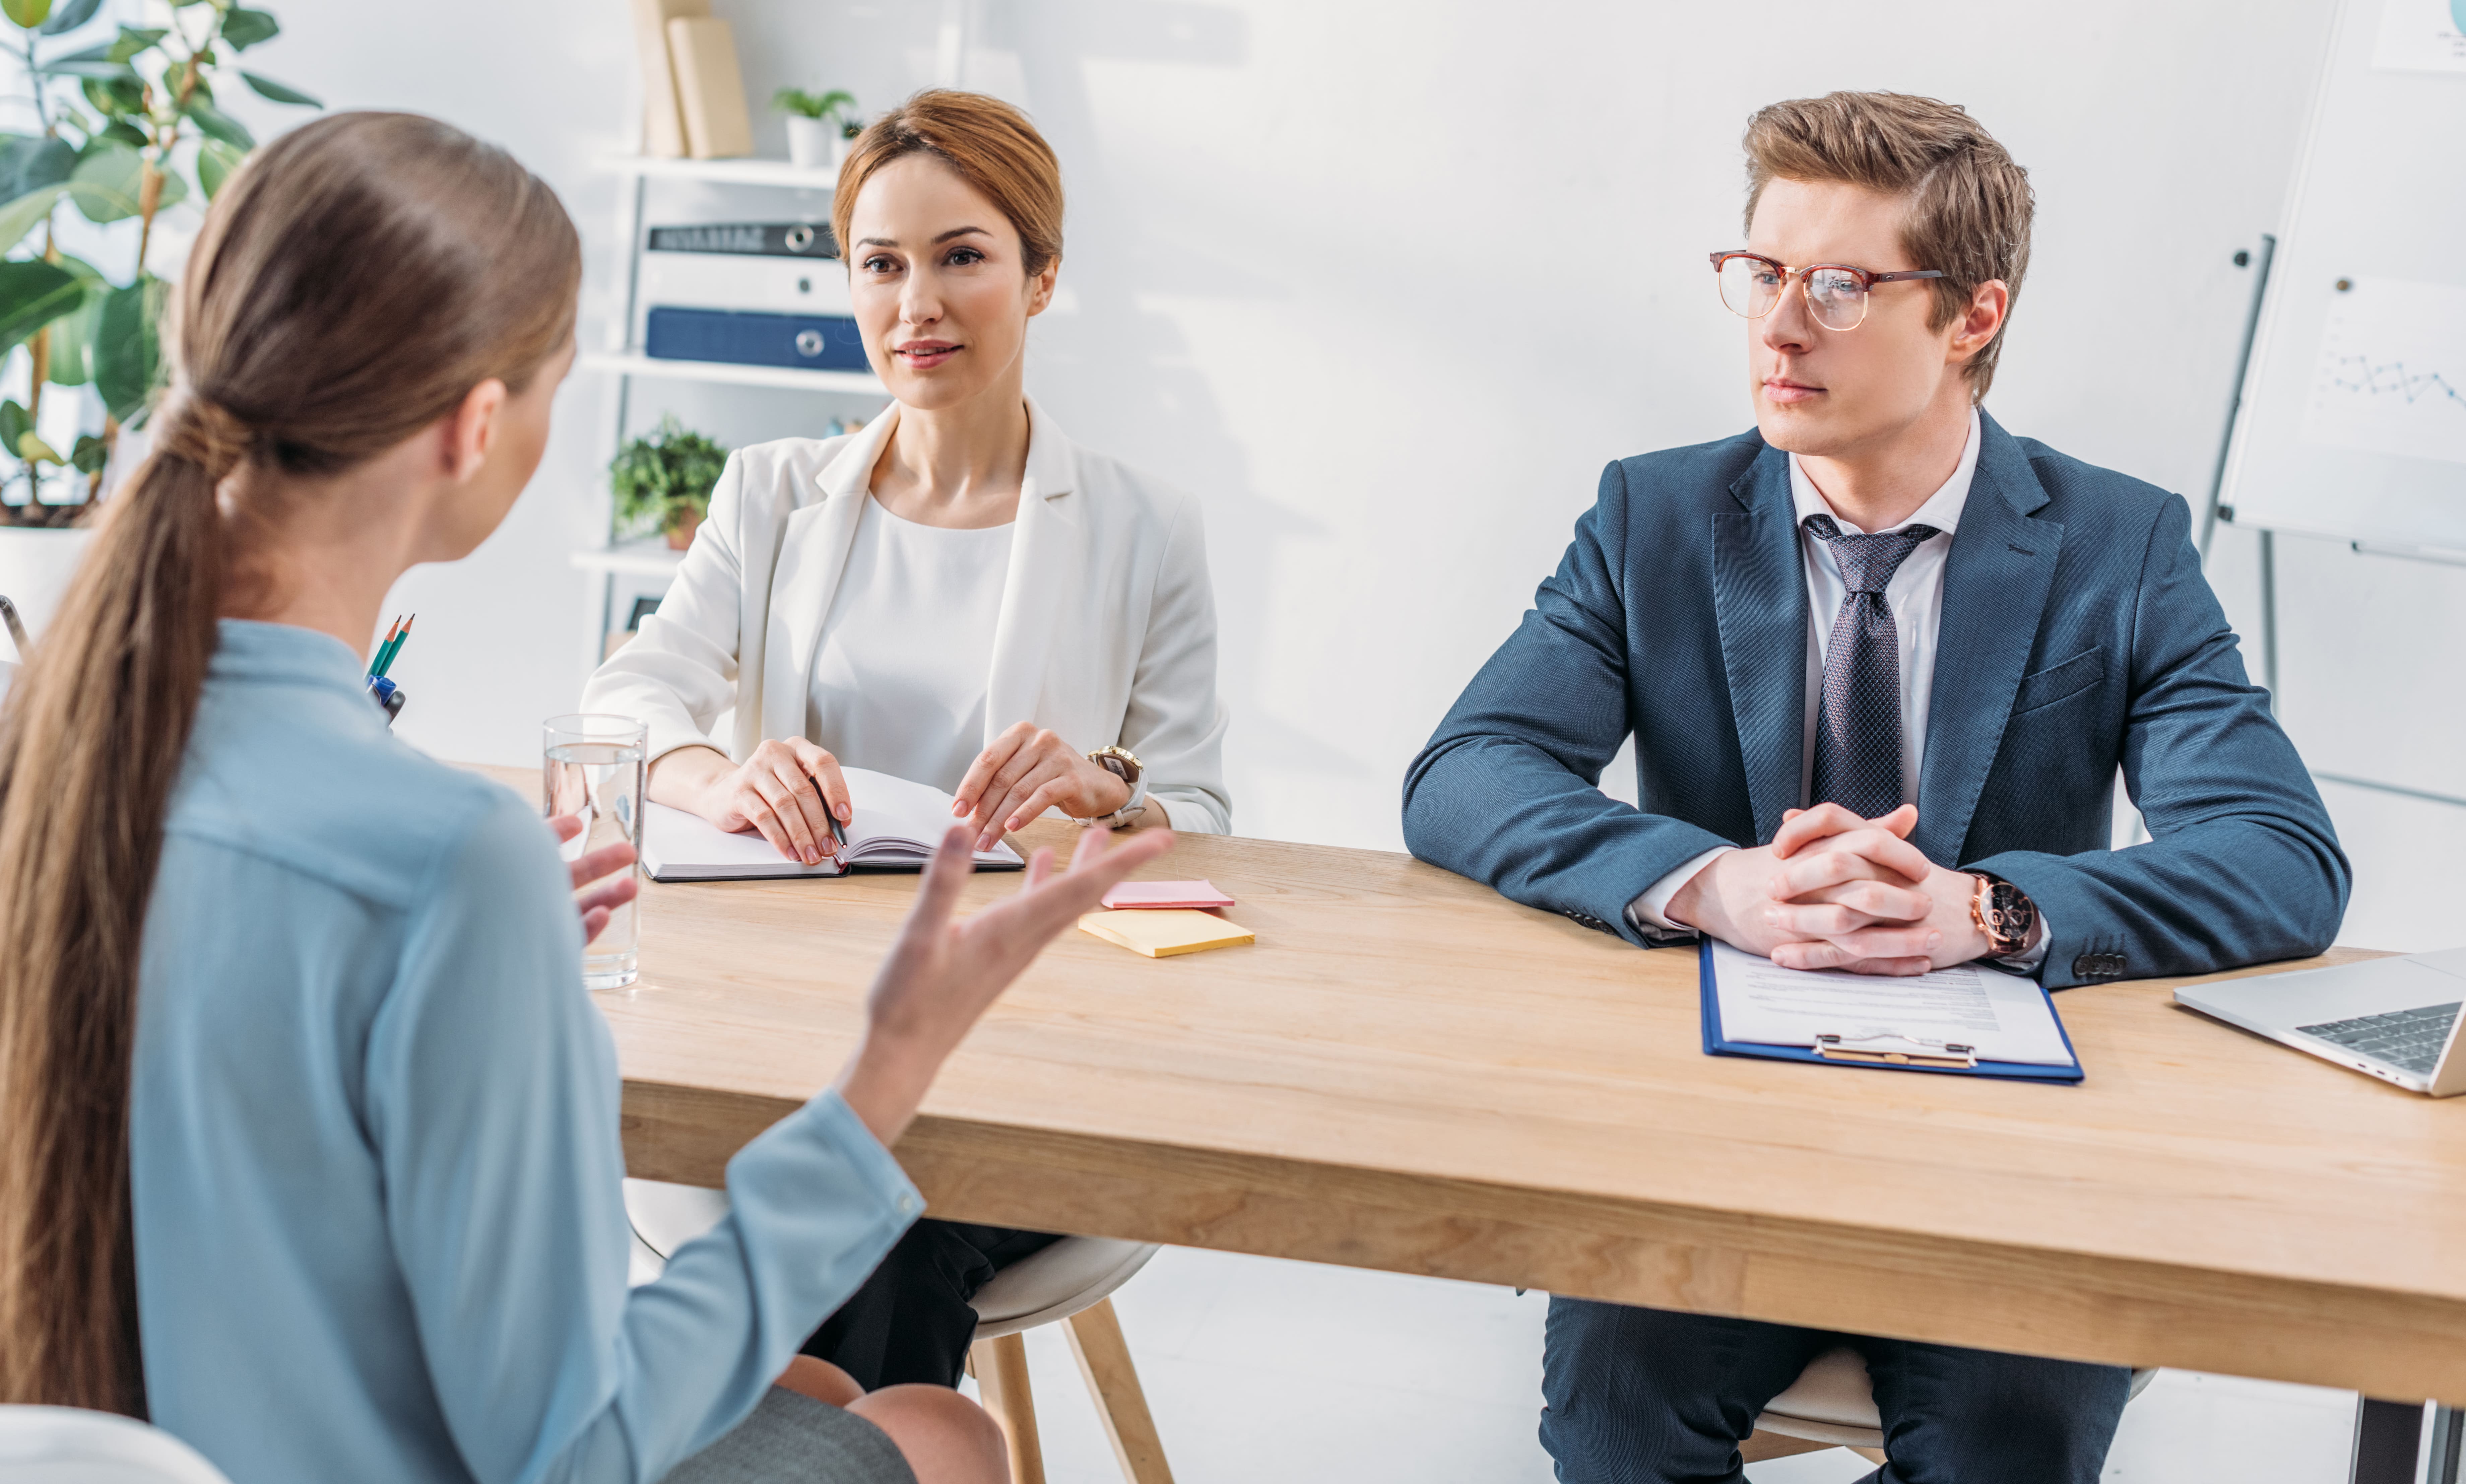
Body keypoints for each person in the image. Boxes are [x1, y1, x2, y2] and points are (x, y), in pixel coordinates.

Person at [0, 110, 1170, 1484]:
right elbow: (570, 1450)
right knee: (941, 1428)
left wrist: (462, 982)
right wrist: (885, 1074)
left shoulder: (56, 753)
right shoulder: (448, 854)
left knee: (812, 1375)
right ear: (477, 425)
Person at [1401, 91, 2349, 1484]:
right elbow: (1466, 771)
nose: (1778, 328)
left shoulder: (2117, 546)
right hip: (1723, 1126)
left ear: (1971, 316)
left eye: (1839, 287)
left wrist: (1990, 909)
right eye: (1760, 275)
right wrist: (1711, 883)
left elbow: (2280, 857)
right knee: (1612, 1413)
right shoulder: (1653, 518)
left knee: (2004, 1451)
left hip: (2008, 1156)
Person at [580, 89, 1227, 1394]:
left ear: (1042, 278)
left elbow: (1202, 812)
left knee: (870, 1225)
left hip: (1027, 1051)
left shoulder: (1144, 523)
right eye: (881, 264)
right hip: (791, 1034)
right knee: (863, 1216)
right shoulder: (773, 493)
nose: (914, 302)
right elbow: (626, 696)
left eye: (962, 257)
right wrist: (719, 767)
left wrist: (1107, 787)